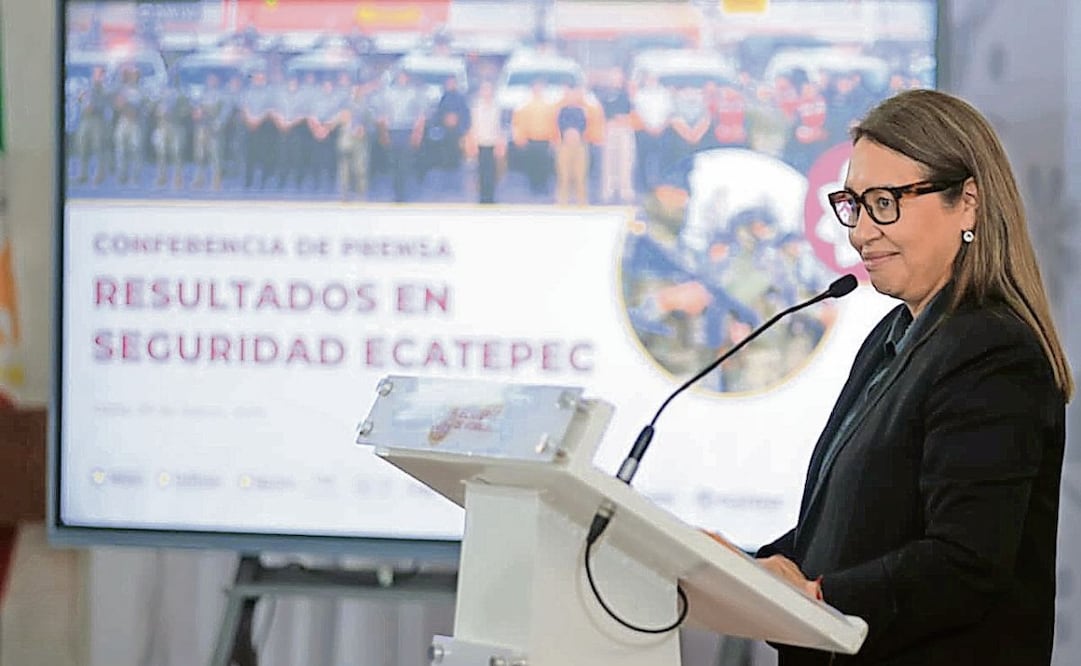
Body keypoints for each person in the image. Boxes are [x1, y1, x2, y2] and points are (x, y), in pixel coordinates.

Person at [756, 89, 1072, 665]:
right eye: (853, 204)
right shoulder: (892, 337)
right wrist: (744, 569)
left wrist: (819, 597)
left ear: (968, 203)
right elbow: (852, 531)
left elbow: (964, 563)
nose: (859, 232)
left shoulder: (993, 351)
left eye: (884, 202)